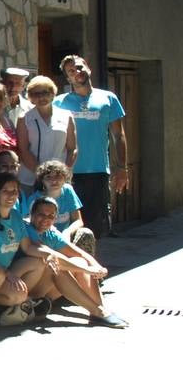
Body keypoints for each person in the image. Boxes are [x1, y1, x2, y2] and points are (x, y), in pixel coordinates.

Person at [55, 54, 127, 237]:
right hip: (68, 173)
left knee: (94, 228)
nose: (77, 72)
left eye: (80, 67)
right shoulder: (59, 102)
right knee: (68, 225)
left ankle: (89, 262)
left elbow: (119, 135)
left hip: (98, 173)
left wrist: (122, 168)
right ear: (67, 78)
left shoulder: (108, 99)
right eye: (71, 71)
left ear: (88, 67)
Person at [27, 196, 126, 327]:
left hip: (47, 288)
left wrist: (97, 267)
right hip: (29, 287)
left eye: (51, 216)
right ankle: (98, 311)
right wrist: (87, 270)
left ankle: (100, 309)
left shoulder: (50, 233)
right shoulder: (26, 228)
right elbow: (49, 254)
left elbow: (77, 252)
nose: (46, 219)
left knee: (80, 261)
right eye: (41, 214)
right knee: (58, 268)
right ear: (32, 214)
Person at [0, 171, 56, 322]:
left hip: (8, 271)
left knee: (39, 262)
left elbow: (27, 247)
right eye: (5, 191)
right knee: (19, 295)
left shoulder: (16, 216)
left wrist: (48, 255)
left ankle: (10, 305)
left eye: (14, 191)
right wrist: (7, 273)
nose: (11, 195)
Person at [17, 75, 77, 196]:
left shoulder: (67, 116)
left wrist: (62, 174)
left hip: (59, 180)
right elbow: (23, 150)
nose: (41, 97)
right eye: (35, 94)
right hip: (30, 180)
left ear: (53, 93)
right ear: (30, 97)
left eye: (45, 92)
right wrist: (43, 175)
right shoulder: (24, 118)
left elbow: (72, 149)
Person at [28, 159, 96, 254]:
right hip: (45, 240)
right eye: (48, 177)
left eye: (58, 176)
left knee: (86, 233)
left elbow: (78, 220)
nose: (54, 181)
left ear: (64, 178)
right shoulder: (35, 199)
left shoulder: (68, 191)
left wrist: (67, 232)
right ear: (42, 181)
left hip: (66, 237)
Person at [2, 66, 33, 130]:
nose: (13, 87)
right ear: (2, 84)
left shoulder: (30, 108)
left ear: (23, 86)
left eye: (18, 83)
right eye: (10, 83)